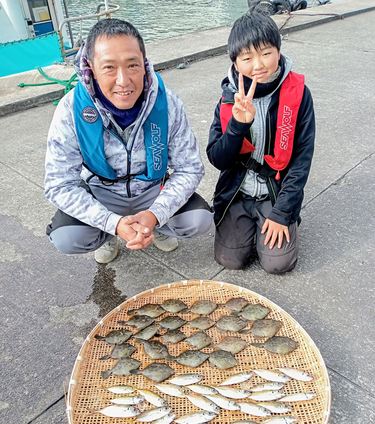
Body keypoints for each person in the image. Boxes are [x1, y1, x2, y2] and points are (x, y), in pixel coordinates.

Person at [45, 19, 213, 263]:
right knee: (67, 237)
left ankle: (153, 226)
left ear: (144, 64)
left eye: (132, 65)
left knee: (199, 221)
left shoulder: (168, 103)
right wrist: (112, 223)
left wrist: (157, 214)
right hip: (101, 192)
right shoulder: (70, 109)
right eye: (109, 67)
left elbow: (190, 168)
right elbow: (58, 184)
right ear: (90, 67)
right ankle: (110, 233)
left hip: (152, 190)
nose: (123, 80)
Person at [206, 13, 315, 273]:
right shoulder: (228, 98)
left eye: (266, 53)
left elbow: (302, 159)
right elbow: (217, 158)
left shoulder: (299, 94)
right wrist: (238, 125)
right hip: (238, 191)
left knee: (279, 264)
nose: (258, 65)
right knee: (230, 260)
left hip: (275, 191)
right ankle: (244, 224)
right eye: (246, 58)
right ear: (235, 61)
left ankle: (275, 219)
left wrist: (282, 213)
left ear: (278, 50)